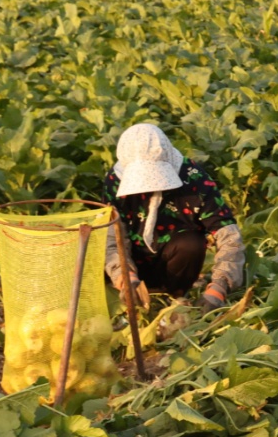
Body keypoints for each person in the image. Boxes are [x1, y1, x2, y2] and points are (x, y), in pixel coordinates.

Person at [102, 123, 245, 310]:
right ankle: (131, 294)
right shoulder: (115, 181)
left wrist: (218, 288)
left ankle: (173, 295)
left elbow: (228, 235)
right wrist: (124, 277)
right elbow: (113, 237)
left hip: (174, 265)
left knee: (191, 243)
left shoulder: (193, 178)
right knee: (89, 248)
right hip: (132, 261)